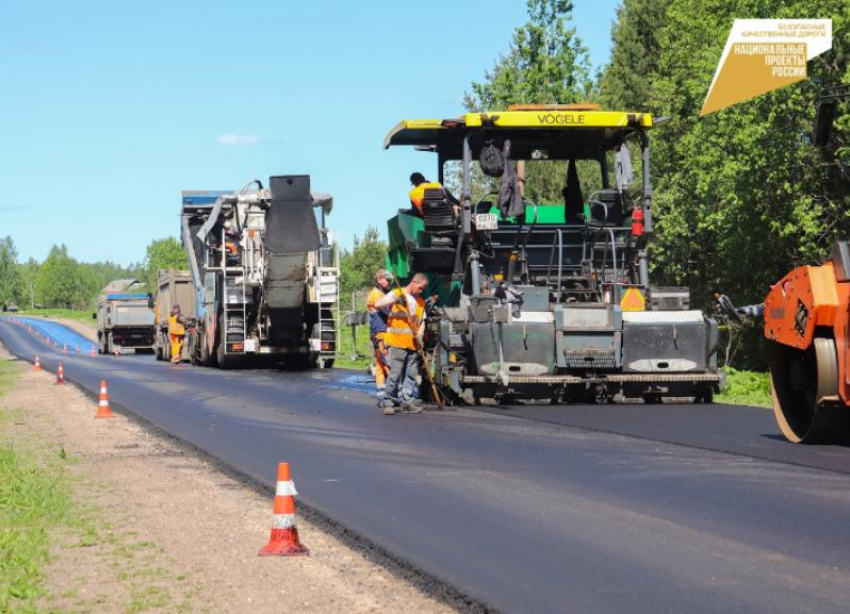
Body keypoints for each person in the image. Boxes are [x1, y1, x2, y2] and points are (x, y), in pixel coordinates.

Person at [374, 272, 429, 415]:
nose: (421, 291)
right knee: (395, 373)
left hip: (412, 344)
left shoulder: (420, 302)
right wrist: (395, 300)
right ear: (414, 283)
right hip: (397, 342)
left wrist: (420, 335)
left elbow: (422, 321)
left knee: (411, 374)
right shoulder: (397, 293)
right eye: (421, 288)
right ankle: (388, 401)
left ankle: (407, 401)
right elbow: (378, 304)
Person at [366, 269, 393, 406]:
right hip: (381, 334)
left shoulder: (382, 293)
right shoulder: (376, 295)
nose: (389, 283)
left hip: (381, 334)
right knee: (388, 364)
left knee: (381, 366)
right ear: (379, 279)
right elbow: (388, 311)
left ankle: (382, 396)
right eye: (387, 280)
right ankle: (391, 396)